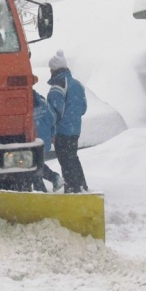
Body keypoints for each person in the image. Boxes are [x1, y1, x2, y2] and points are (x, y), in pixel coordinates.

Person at [47, 49, 89, 193]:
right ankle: (81, 185)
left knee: (65, 161)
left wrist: (51, 130)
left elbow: (53, 112)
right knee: (73, 157)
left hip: (62, 131)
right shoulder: (77, 84)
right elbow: (83, 108)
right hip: (75, 129)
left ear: (54, 69)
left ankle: (72, 188)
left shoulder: (58, 86)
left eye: (50, 69)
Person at [32, 89, 65, 192]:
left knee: (32, 165)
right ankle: (54, 179)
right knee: (37, 163)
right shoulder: (43, 101)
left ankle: (42, 190)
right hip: (44, 139)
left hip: (33, 139)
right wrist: (52, 134)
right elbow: (52, 118)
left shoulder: (24, 103)